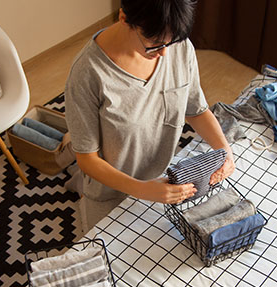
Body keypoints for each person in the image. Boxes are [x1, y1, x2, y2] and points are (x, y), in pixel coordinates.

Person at [65, 0, 235, 232]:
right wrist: (144, 189)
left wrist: (225, 151)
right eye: (154, 43)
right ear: (124, 18)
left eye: (170, 42)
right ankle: (71, 159)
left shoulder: (178, 46)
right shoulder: (87, 74)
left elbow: (196, 109)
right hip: (111, 190)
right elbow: (87, 160)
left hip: (163, 175)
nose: (165, 52)